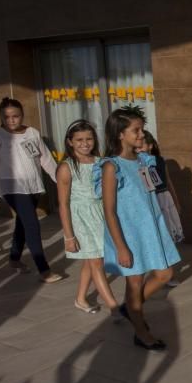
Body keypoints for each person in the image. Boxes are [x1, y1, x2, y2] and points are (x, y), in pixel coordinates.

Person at [98, 108, 180, 350]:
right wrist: (121, 247)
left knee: (165, 274)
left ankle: (131, 308)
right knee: (134, 283)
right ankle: (141, 331)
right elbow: (109, 210)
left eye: (142, 129)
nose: (142, 134)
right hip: (129, 234)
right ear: (120, 134)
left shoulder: (144, 160)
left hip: (152, 228)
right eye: (136, 130)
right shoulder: (111, 167)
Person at [0, 97, 65, 282]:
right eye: (7, 117)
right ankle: (44, 270)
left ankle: (14, 258)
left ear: (22, 115)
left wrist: (59, 180)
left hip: (34, 185)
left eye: (16, 116)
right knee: (32, 224)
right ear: (1, 117)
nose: (12, 120)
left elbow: (45, 159)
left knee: (23, 222)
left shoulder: (32, 132)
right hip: (12, 187)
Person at [57, 120, 118, 314]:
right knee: (97, 262)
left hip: (99, 215)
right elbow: (63, 204)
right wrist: (69, 236)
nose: (85, 143)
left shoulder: (100, 162)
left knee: (90, 260)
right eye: (79, 139)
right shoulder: (67, 167)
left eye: (89, 139)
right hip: (80, 218)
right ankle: (115, 308)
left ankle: (81, 298)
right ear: (70, 142)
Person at [140, 130, 183, 287]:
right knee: (159, 237)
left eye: (143, 144)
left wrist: (176, 202)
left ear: (151, 145)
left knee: (169, 236)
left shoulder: (159, 161)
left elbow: (169, 182)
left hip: (165, 199)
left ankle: (167, 273)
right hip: (152, 201)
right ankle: (160, 272)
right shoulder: (137, 164)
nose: (140, 148)